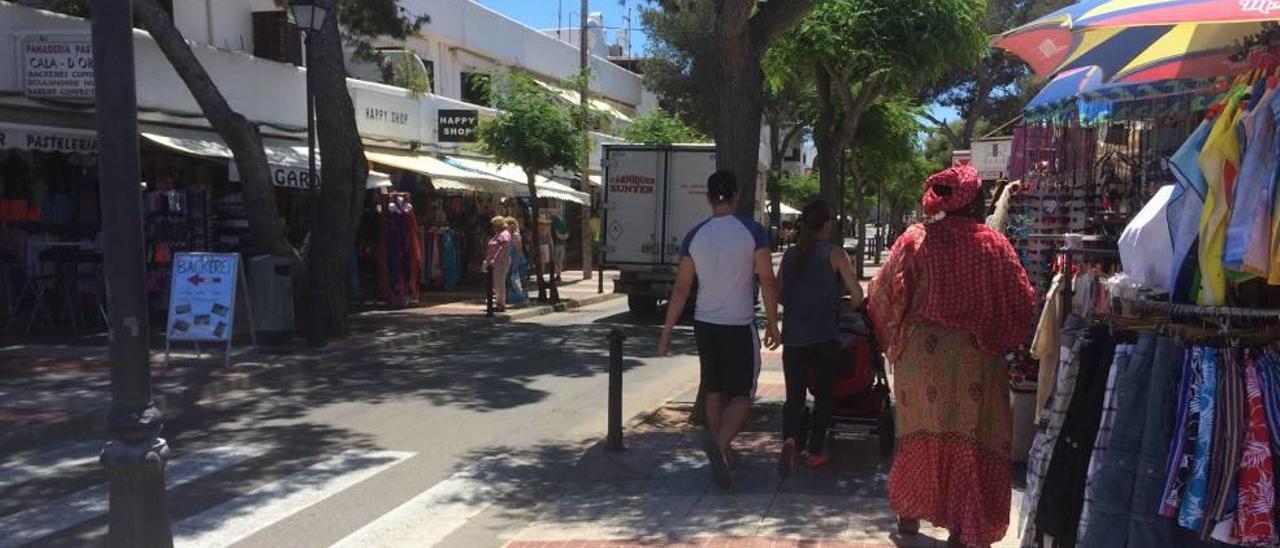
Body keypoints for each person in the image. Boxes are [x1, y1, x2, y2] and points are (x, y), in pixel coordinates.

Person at [867, 165, 1034, 548]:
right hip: (976, 359)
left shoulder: (914, 239)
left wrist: (895, 335)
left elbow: (881, 290)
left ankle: (909, 514)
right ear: (974, 199)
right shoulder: (993, 245)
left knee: (919, 434)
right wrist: (999, 334)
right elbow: (1022, 300)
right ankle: (965, 528)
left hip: (920, 361)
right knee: (970, 440)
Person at [657, 170, 781, 489]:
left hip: (704, 324)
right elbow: (767, 279)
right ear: (737, 196)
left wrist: (667, 330)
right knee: (742, 395)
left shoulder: (694, 236)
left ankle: (721, 446)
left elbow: (682, 288)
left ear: (709, 198)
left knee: (714, 390)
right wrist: (772, 321)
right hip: (738, 325)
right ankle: (720, 445)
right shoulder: (753, 232)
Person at [775, 200, 863, 476]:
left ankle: (790, 439)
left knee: (794, 396)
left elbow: (777, 294)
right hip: (825, 336)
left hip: (794, 337)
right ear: (826, 225)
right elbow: (857, 293)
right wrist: (847, 304)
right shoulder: (834, 254)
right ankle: (814, 451)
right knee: (824, 396)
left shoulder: (789, 255)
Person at [483, 216, 512, 312]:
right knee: (495, 284)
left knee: (500, 284)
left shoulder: (504, 234)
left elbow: (503, 248)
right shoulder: (497, 234)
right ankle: (498, 302)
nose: (493, 227)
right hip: (493, 263)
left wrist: (495, 259)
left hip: (501, 263)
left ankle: (501, 304)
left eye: (494, 225)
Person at [505, 217, 529, 306]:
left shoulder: (515, 235)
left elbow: (519, 251)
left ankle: (522, 298)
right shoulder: (507, 235)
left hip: (518, 261)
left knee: (518, 280)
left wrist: (515, 264)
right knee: (511, 281)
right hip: (510, 261)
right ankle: (513, 298)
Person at [551, 212, 570, 276]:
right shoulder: (562, 224)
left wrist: (561, 236)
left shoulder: (553, 223)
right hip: (561, 244)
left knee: (556, 261)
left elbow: (557, 234)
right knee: (559, 261)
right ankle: (559, 274)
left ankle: (558, 274)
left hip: (556, 244)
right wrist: (563, 237)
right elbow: (566, 235)